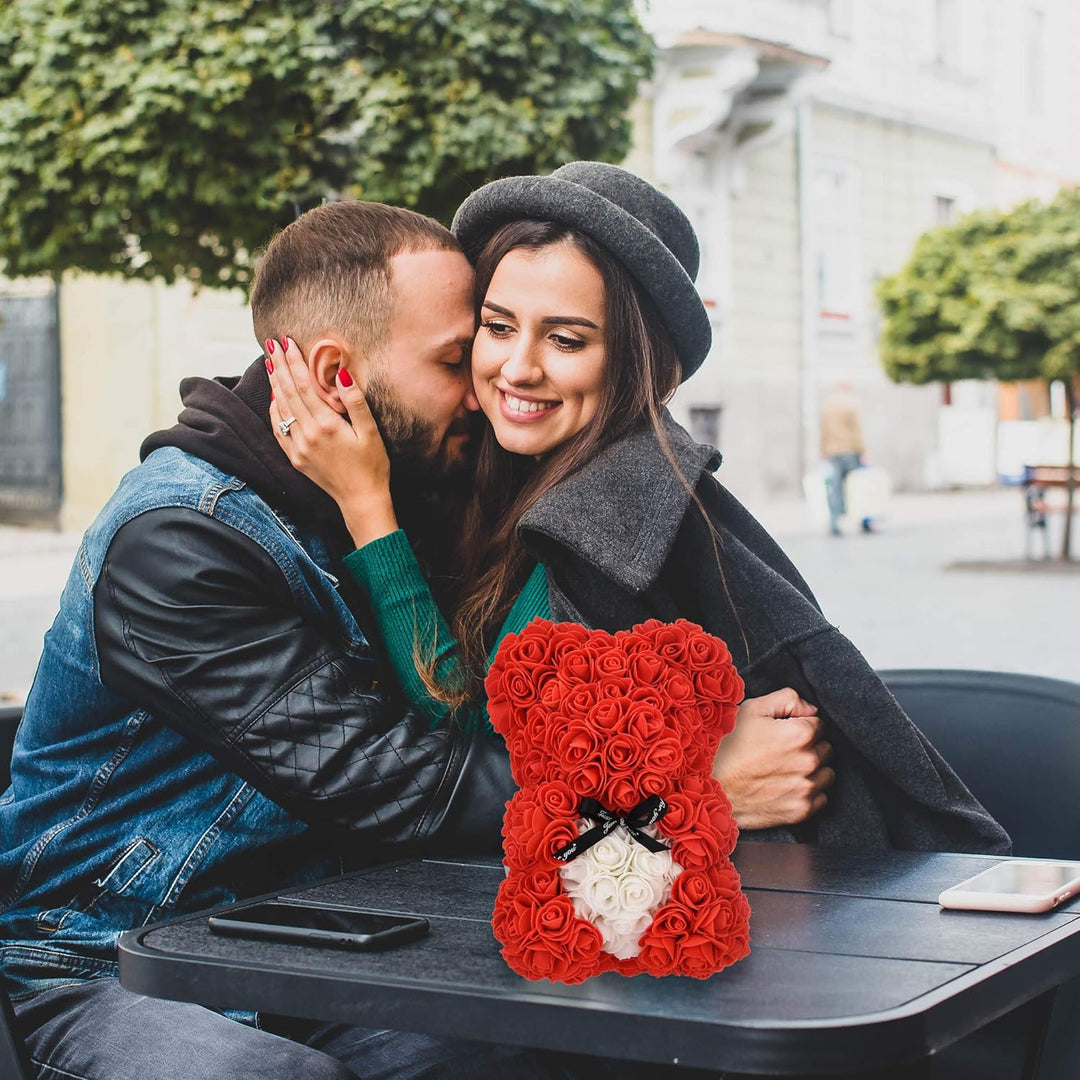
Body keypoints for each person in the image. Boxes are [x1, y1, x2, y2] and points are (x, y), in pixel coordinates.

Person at [0, 201, 611, 1080]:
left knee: (538, 1033)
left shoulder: (381, 494)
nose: (481, 388)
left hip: (299, 943)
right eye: (454, 360)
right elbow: (396, 786)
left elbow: (471, 711)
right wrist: (668, 781)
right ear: (337, 375)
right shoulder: (180, 539)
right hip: (104, 961)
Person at [267, 162, 1009, 856]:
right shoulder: (520, 476)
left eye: (566, 339)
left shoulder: (612, 520)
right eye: (496, 327)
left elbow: (465, 744)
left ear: (637, 359)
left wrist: (368, 508)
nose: (517, 366)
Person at [820, 382, 870, 535]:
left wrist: (823, 450)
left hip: (833, 451)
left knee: (835, 489)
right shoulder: (852, 404)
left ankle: (834, 523)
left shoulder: (827, 405)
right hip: (850, 450)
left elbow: (823, 430)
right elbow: (856, 430)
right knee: (857, 487)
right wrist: (863, 451)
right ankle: (863, 521)